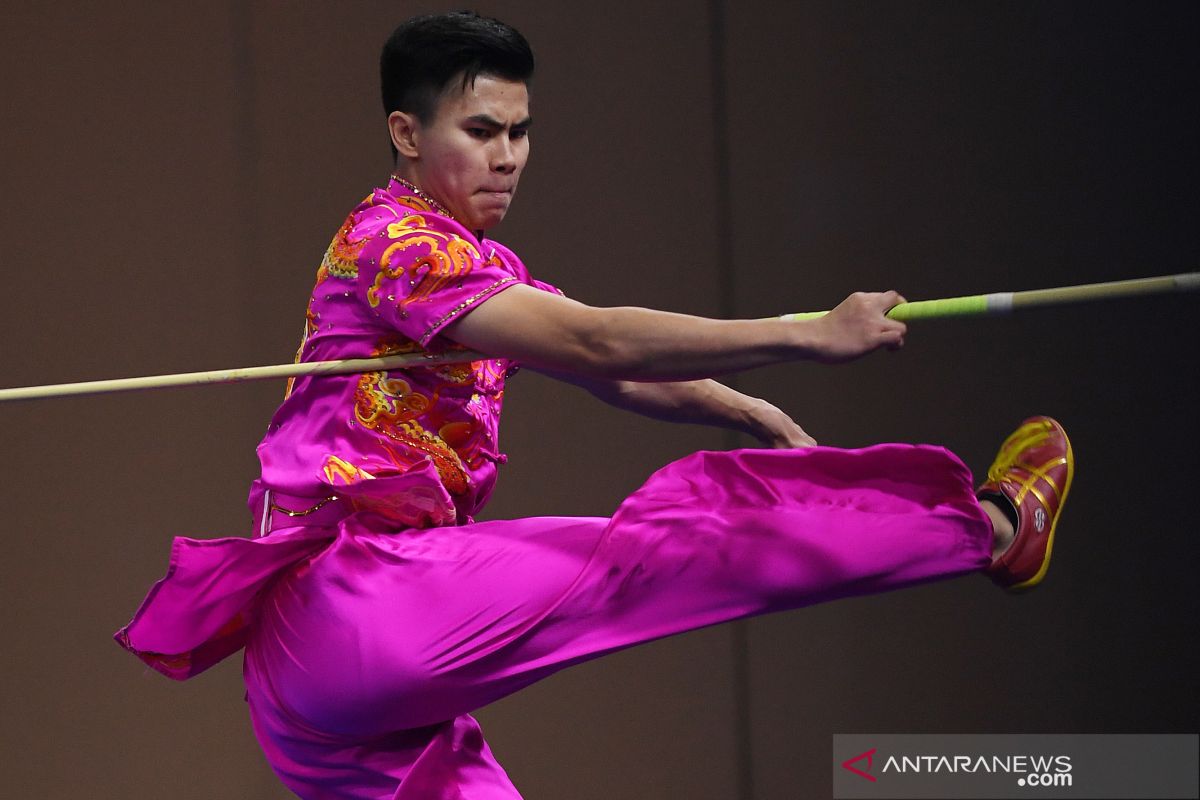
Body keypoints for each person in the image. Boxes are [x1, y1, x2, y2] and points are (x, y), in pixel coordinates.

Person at [116, 11, 1073, 799]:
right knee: (663, 551)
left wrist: (739, 408)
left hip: (316, 705)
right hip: (352, 603)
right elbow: (596, 341)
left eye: (520, 132)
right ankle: (987, 531)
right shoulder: (396, 245)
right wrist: (806, 333)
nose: (509, 158)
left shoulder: (477, 269)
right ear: (407, 135)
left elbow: (610, 368)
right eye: (480, 133)